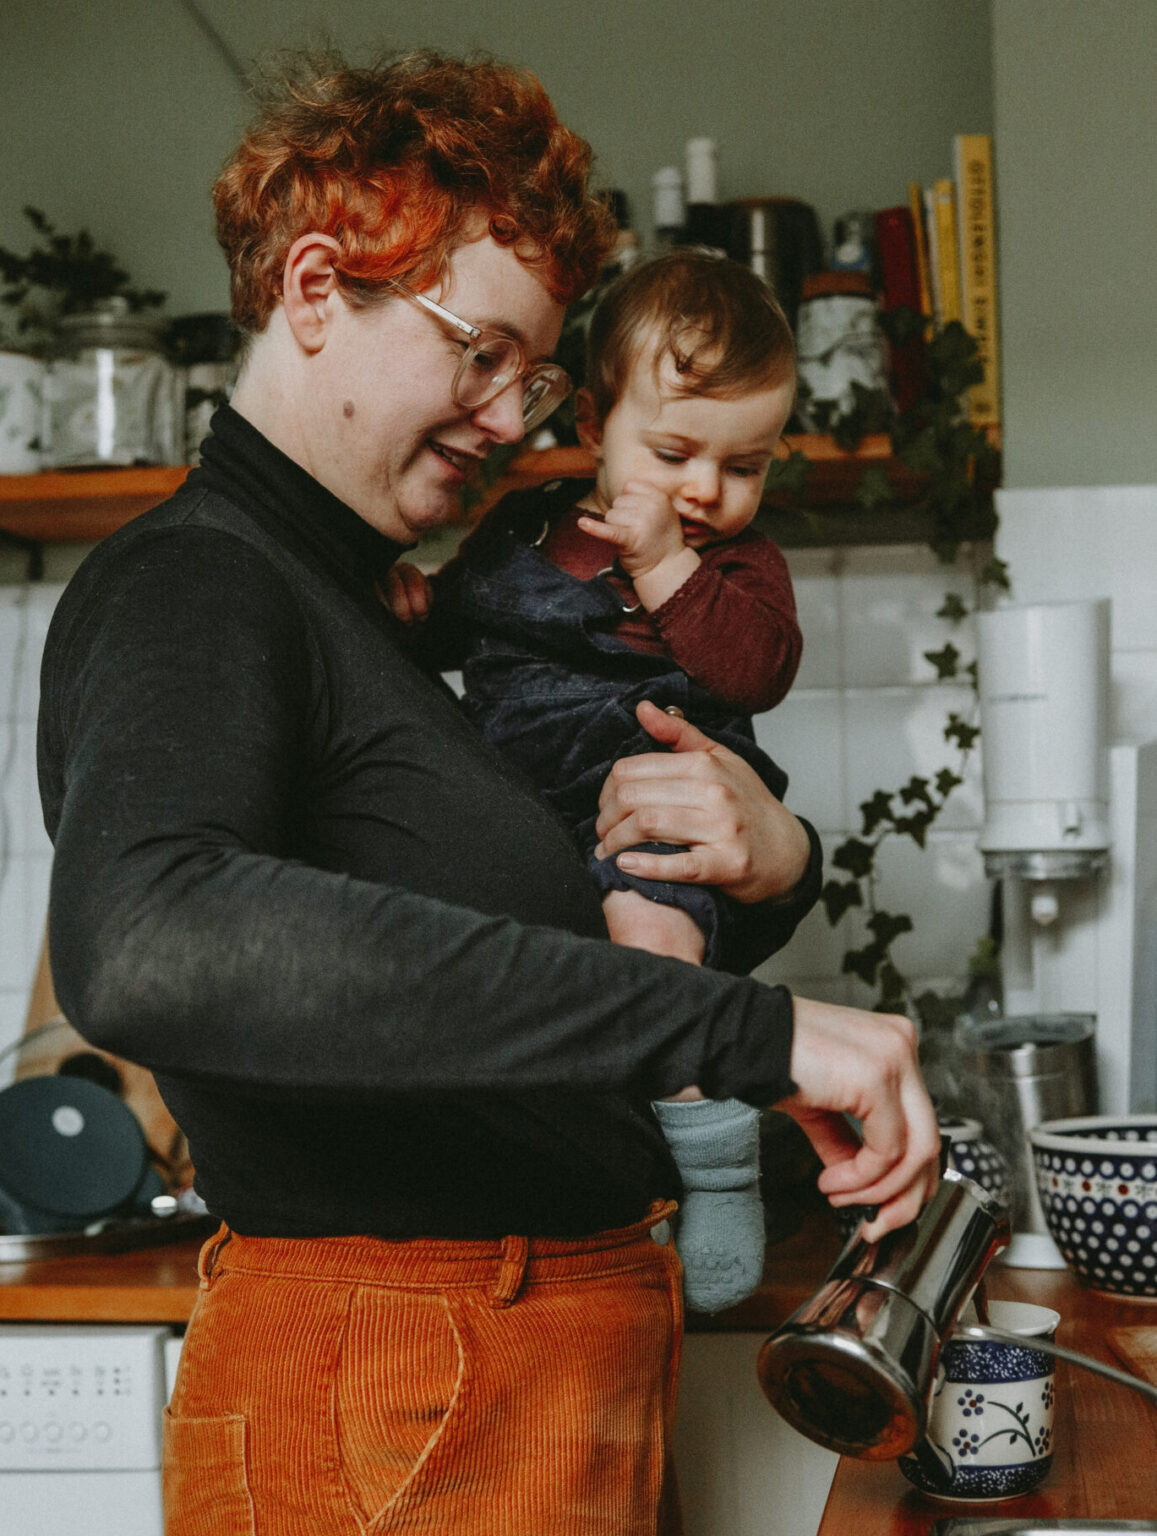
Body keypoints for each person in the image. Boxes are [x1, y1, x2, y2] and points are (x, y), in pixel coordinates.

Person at [37, 49, 940, 1536]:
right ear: (317, 290)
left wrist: (777, 865)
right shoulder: (197, 585)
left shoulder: (386, 618)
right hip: (400, 1381)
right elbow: (147, 939)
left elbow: (531, 951)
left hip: (505, 1368)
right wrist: (751, 1030)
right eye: (480, 353)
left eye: (534, 375)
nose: (516, 416)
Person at [385, 251, 804, 1312]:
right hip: (517, 797)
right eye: (672, 453)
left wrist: (666, 563)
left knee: (654, 939)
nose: (708, 490)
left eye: (745, 466)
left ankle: (712, 1168)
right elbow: (457, 613)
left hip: (655, 799)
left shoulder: (736, 566)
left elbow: (755, 668)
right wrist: (410, 606)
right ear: (588, 428)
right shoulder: (525, 525)